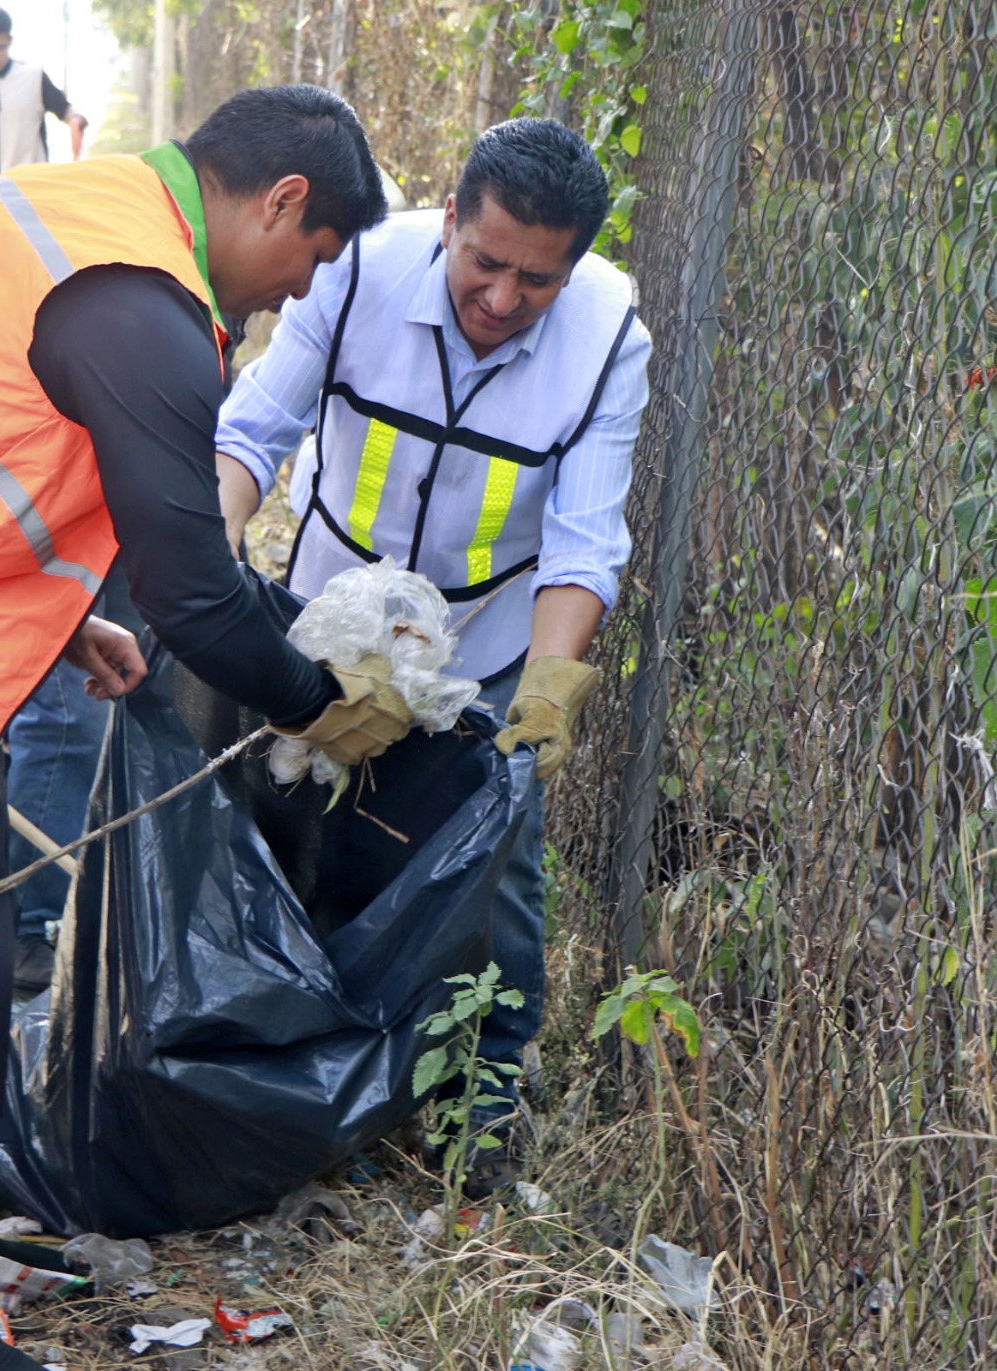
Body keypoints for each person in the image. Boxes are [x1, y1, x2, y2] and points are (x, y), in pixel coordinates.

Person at [0, 85, 402, 1370]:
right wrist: (318, 705)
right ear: (280, 200)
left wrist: (63, 626)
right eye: (311, 255)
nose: (294, 290)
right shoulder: (142, 304)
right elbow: (196, 592)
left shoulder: (86, 213)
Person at [214, 117, 652, 1190]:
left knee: (494, 863)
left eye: (537, 281)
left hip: (483, 645)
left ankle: (478, 1107)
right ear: (450, 219)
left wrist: (544, 694)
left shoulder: (607, 338)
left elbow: (584, 540)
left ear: (576, 266)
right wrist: (210, 577)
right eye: (485, 262)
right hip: (329, 629)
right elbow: (253, 432)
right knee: (287, 838)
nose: (502, 299)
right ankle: (279, 1082)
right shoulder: (359, 268)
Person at [0, 7, 87, 170]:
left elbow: (66, 110)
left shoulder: (33, 77)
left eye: (0, 48)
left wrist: (76, 120)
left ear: (9, 40)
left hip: (30, 178)